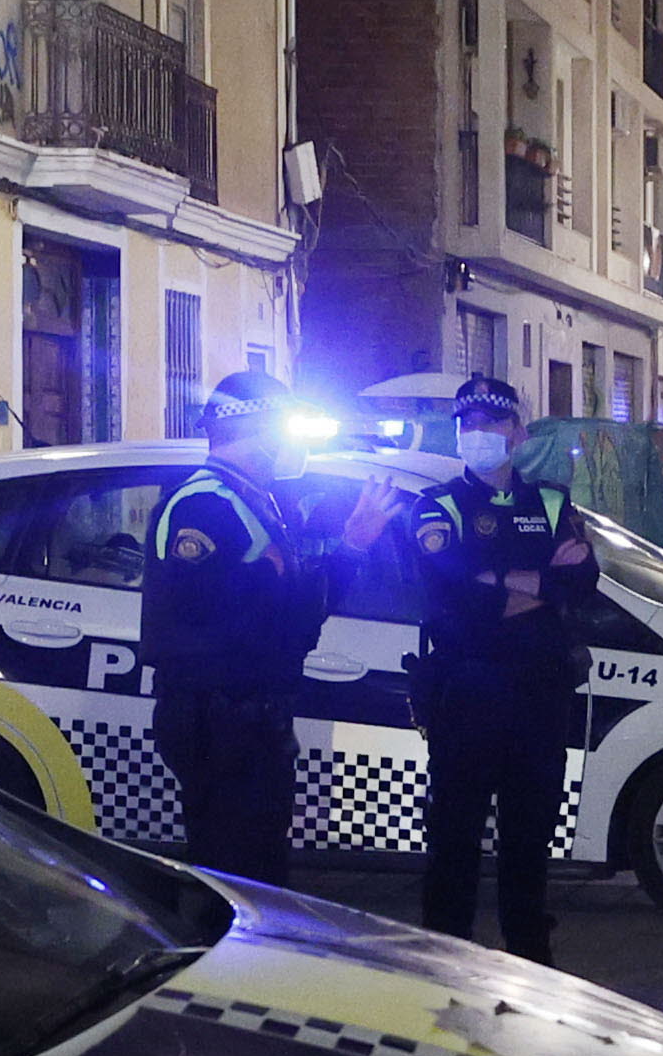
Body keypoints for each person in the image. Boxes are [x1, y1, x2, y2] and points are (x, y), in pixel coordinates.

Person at [140, 371, 387, 886]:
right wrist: (285, 583)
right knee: (235, 875)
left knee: (255, 869)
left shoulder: (251, 499)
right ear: (261, 429)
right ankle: (222, 964)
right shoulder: (204, 505)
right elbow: (241, 619)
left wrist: (348, 549)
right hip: (221, 720)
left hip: (250, 717)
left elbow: (292, 609)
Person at [402, 375, 596, 961]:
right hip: (466, 697)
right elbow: (451, 592)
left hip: (539, 698)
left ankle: (531, 961)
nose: (478, 435)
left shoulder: (553, 501)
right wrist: (540, 585)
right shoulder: (436, 505)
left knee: (529, 841)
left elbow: (583, 581)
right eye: (467, 426)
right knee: (454, 842)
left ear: (517, 432)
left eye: (490, 424)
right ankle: (447, 959)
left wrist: (499, 583)